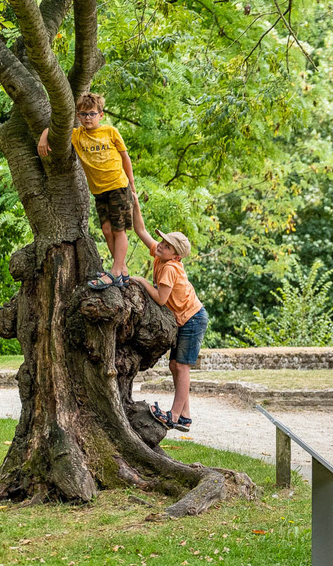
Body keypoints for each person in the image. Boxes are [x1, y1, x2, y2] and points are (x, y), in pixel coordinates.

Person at [38, 92, 136, 289]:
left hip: (118, 185)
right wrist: (43, 138)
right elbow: (53, 128)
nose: (87, 118)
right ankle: (123, 270)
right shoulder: (77, 135)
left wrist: (132, 187)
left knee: (119, 229)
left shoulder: (110, 132)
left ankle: (116, 272)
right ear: (77, 115)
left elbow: (126, 158)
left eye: (91, 114)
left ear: (100, 114)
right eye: (83, 114)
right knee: (107, 230)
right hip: (99, 191)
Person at [129, 191, 208, 431]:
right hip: (186, 320)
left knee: (181, 366)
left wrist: (142, 281)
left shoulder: (170, 269)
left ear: (176, 254)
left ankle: (173, 415)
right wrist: (135, 204)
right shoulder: (160, 257)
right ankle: (184, 415)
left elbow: (161, 300)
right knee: (175, 365)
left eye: (167, 246)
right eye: (162, 242)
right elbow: (140, 231)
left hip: (192, 318)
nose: (160, 246)